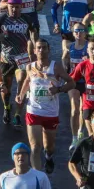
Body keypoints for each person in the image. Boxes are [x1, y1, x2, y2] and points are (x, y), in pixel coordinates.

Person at [18, 39, 74, 172]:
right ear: (34, 50)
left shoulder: (56, 67)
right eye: (38, 48)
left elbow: (72, 83)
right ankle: (37, 177)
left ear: (49, 50)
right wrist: (21, 95)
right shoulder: (30, 67)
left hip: (50, 112)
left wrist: (58, 89)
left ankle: (49, 157)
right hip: (33, 111)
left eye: (44, 47)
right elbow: (27, 80)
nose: (41, 50)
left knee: (49, 146)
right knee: (35, 147)